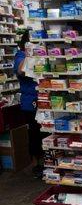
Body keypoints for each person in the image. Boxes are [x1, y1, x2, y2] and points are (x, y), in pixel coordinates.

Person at [14, 30, 43, 178]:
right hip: (30, 100)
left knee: (44, 132)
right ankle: (36, 164)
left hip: (43, 98)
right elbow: (21, 71)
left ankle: (47, 160)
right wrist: (28, 54)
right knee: (34, 133)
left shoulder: (40, 54)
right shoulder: (20, 55)